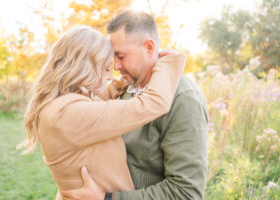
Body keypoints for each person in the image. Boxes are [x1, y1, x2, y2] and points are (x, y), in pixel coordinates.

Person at [17, 25, 186, 199]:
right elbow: (154, 103)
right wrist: (168, 63)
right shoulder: (71, 113)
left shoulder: (59, 106)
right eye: (105, 68)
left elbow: (97, 100)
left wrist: (123, 81)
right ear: (85, 66)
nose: (108, 77)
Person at [61, 10, 208, 200]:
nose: (115, 66)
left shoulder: (184, 99)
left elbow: (186, 192)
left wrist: (108, 198)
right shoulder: (126, 88)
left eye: (121, 56)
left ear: (148, 47)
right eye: (112, 57)